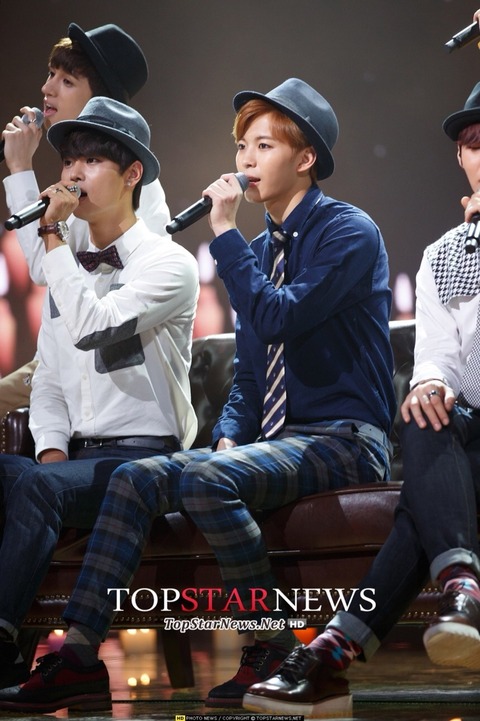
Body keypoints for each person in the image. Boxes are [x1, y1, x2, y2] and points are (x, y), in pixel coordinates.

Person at [0, 77, 395, 715]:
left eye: (263, 146)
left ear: (305, 159)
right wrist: (230, 434)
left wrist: (225, 232)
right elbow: (252, 373)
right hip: (275, 442)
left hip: (343, 438)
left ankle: (272, 649)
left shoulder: (349, 232)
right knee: (134, 479)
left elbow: (278, 317)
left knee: (207, 481)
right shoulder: (258, 251)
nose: (245, 160)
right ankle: (78, 658)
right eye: (241, 146)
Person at [242, 78, 480, 719]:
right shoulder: (446, 253)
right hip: (472, 422)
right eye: (474, 145)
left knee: (421, 503)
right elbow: (439, 354)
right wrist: (429, 381)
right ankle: (459, 583)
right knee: (424, 417)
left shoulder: (348, 231)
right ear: (461, 158)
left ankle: (332, 655)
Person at [0, 96, 198, 699]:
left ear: (132, 174)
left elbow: (91, 327)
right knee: (19, 475)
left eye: (90, 161)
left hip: (145, 458)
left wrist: (52, 234)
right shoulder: (69, 265)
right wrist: (52, 456)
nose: (73, 174)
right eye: (68, 161)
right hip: (79, 461)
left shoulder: (168, 264)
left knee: (39, 486)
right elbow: (50, 378)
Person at [0, 22, 171, 412]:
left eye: (67, 81)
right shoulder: (75, 178)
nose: (47, 88)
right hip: (56, 361)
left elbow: (42, 269)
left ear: (101, 100)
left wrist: (21, 170)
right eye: (50, 74)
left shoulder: (133, 190)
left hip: (105, 371)